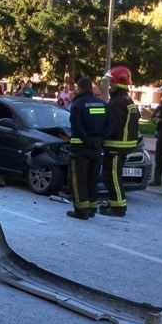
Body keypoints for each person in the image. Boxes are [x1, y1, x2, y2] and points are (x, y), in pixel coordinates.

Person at [66, 77, 110, 219]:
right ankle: (92, 208)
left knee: (79, 180)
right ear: (91, 88)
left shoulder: (77, 104)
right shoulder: (102, 104)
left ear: (79, 88)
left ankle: (81, 210)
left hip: (80, 149)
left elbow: (76, 127)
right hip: (96, 149)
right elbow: (110, 125)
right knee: (92, 179)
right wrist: (100, 139)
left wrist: (88, 140)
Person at [100, 65, 139, 217]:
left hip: (116, 145)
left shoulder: (117, 102)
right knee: (110, 175)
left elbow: (113, 125)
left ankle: (118, 207)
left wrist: (101, 138)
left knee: (112, 176)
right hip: (122, 145)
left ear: (118, 82)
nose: (110, 86)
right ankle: (114, 201)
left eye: (111, 82)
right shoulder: (126, 100)